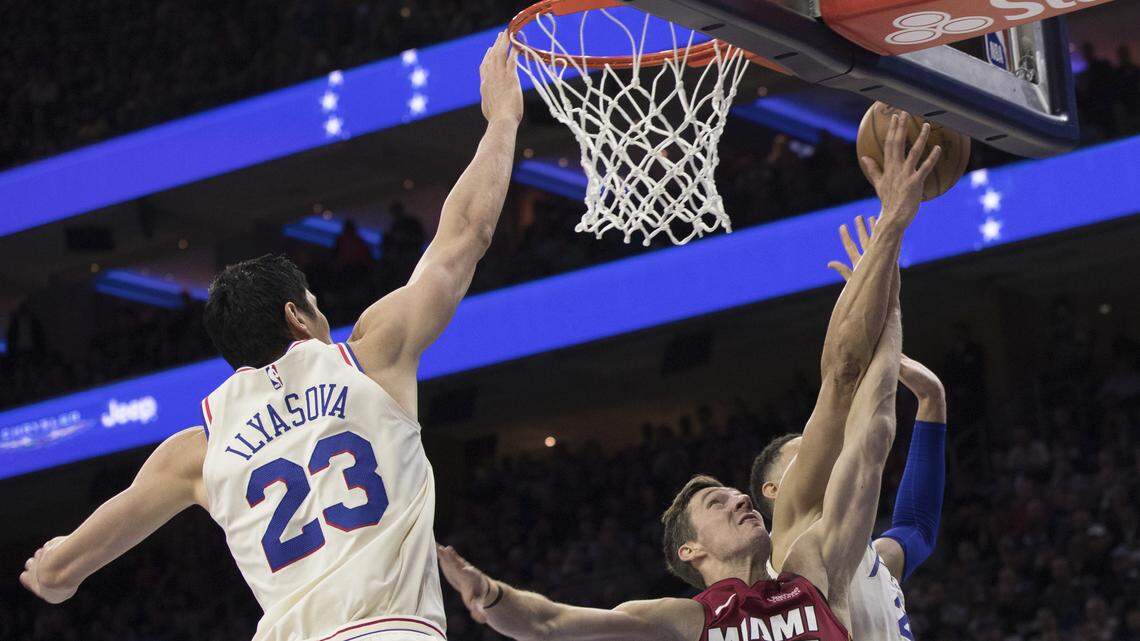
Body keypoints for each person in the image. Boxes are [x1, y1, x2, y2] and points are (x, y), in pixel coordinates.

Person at [17, 31, 524, 641]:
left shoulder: (196, 450)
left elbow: (64, 571)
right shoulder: (368, 359)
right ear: (295, 317)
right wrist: (502, 119)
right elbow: (465, 233)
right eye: (315, 304)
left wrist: (48, 566)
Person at [438, 114, 941, 641]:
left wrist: (892, 236)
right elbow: (550, 622)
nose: (741, 500)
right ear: (690, 550)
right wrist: (490, 595)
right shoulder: (684, 621)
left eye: (732, 495)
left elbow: (871, 435)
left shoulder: (812, 571)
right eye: (718, 503)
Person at [750, 217, 947, 641]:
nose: (828, 449)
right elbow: (846, 380)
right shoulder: (792, 543)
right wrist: (884, 289)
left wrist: (932, 399)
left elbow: (917, 529)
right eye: (802, 453)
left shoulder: (862, 555)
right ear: (774, 491)